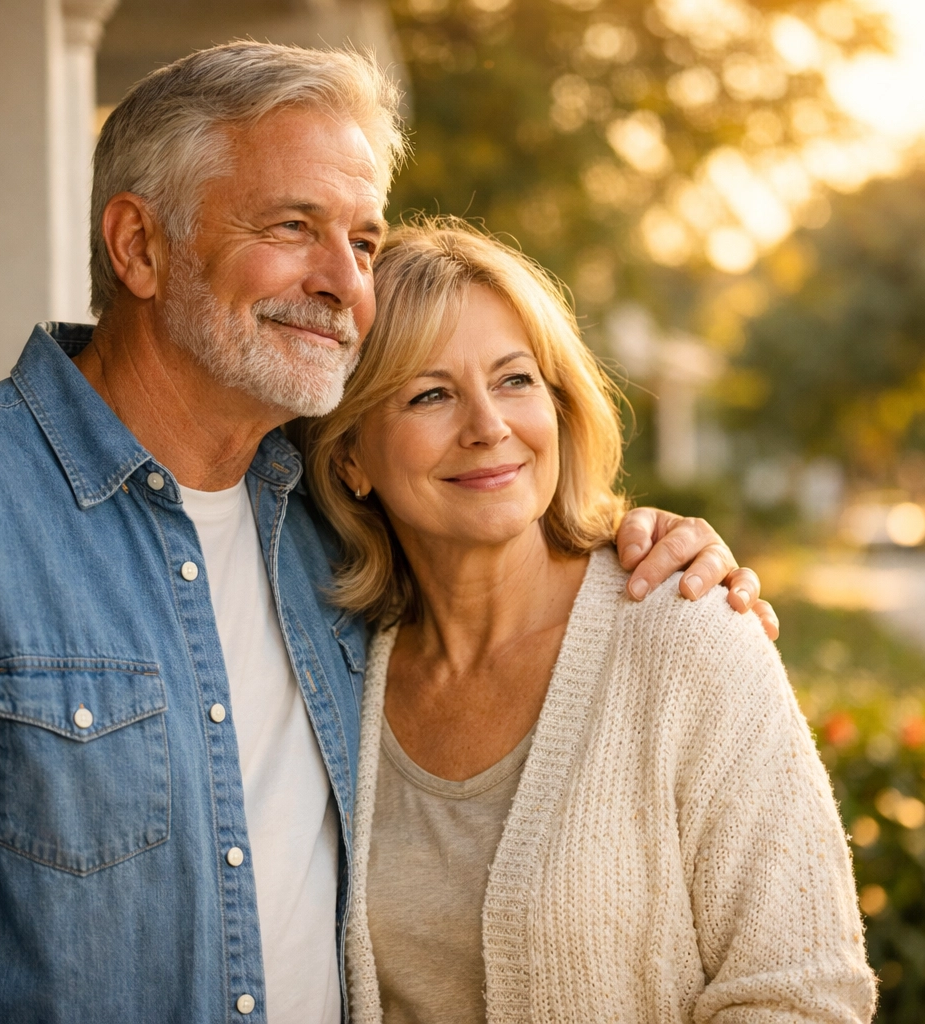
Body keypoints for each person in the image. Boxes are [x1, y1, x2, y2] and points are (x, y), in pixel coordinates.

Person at [0, 42, 771, 1024]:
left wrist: (644, 542)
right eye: (293, 225)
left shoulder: (334, 525)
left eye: (362, 240)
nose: (342, 282)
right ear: (139, 247)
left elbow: (495, 510)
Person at [296, 219, 875, 1024]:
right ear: (350, 457)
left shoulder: (687, 633)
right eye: (430, 394)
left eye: (514, 380)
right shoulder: (335, 672)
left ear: (559, 405)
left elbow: (805, 993)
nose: (488, 426)